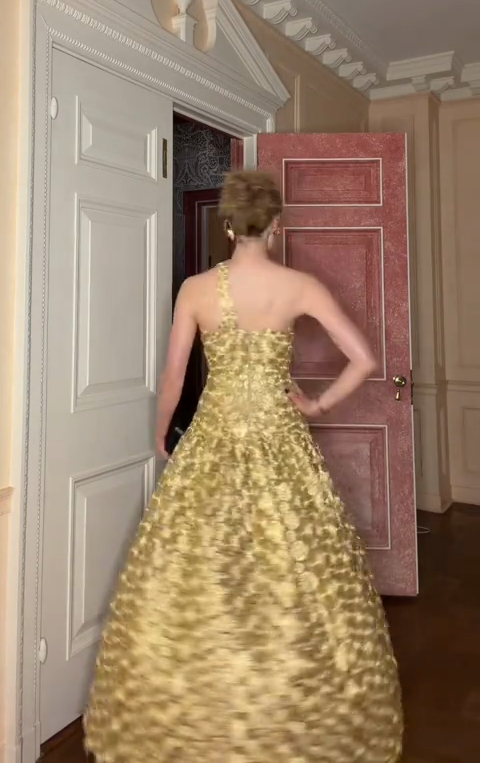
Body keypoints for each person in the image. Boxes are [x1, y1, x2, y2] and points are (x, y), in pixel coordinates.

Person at [84, 170, 402, 763]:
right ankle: (292, 718)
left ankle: (200, 717)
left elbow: (174, 375)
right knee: (296, 567)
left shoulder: (197, 289)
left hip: (212, 440)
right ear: (276, 225)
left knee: (200, 569)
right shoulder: (300, 286)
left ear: (228, 226)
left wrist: (161, 431)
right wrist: (317, 404)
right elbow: (363, 359)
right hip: (281, 441)